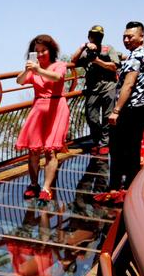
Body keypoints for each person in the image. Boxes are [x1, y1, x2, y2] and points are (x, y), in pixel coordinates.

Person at [97, 22, 144, 203]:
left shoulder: (135, 57)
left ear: (141, 37)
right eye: (124, 36)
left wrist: (116, 110)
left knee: (118, 149)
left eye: (130, 36)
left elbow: (129, 84)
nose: (126, 39)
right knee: (133, 148)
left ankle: (116, 188)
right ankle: (130, 187)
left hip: (130, 109)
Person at [15, 34, 70, 202]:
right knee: (33, 150)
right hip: (39, 108)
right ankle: (33, 184)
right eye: (36, 51)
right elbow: (19, 81)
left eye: (43, 51)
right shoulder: (33, 69)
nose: (40, 55)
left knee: (50, 151)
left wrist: (38, 70)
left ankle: (46, 188)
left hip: (56, 108)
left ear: (51, 50)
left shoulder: (59, 65)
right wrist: (28, 69)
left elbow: (57, 78)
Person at [71, 25, 121, 155]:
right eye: (94, 35)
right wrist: (83, 46)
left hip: (108, 86)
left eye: (99, 35)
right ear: (89, 36)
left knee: (106, 117)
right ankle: (97, 141)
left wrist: (98, 61)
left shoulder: (108, 49)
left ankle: (104, 144)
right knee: (91, 116)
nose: (96, 37)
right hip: (92, 89)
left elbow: (114, 66)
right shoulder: (86, 52)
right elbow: (73, 61)